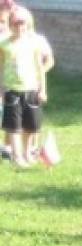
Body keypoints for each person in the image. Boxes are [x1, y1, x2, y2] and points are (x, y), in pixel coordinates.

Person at [0, 5, 46, 169]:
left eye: (22, 24)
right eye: (15, 24)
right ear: (11, 25)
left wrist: (43, 89)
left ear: (27, 25)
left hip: (31, 89)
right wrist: (1, 89)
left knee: (31, 125)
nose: (19, 27)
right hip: (12, 90)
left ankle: (27, 153)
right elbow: (1, 67)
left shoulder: (34, 43)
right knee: (14, 126)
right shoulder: (3, 44)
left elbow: (40, 67)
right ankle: (17, 156)